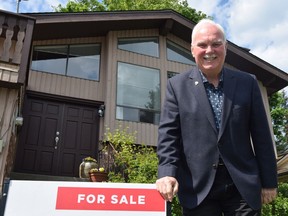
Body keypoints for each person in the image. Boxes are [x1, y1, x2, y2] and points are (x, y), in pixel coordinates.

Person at [156, 19, 278, 215]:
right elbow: (168, 136)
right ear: (192, 49)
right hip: (197, 187)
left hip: (242, 186)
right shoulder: (176, 87)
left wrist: (269, 182)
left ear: (225, 47)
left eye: (216, 44)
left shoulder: (248, 83)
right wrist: (166, 173)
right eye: (202, 45)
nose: (209, 50)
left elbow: (262, 137)